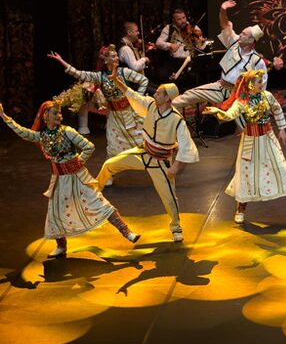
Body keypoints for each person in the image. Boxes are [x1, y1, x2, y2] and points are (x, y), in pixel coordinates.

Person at [0, 100, 140, 258]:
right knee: (56, 213)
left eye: (59, 113)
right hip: (59, 180)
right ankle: (61, 246)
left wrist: (78, 162)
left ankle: (127, 232)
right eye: (55, 113)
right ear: (45, 116)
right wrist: (5, 117)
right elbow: (24, 133)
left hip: (78, 176)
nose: (59, 116)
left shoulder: (68, 131)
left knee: (99, 203)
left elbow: (89, 146)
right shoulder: (42, 136)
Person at [97, 75, 199, 242]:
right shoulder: (151, 105)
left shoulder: (176, 120)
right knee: (110, 164)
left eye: (159, 93)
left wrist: (176, 167)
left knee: (169, 197)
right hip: (143, 152)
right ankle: (95, 190)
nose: (155, 95)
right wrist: (117, 81)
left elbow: (187, 146)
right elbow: (132, 95)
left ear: (167, 98)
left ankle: (176, 228)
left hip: (161, 162)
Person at [204, 69, 286, 223]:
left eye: (262, 81)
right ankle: (240, 209)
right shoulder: (241, 102)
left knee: (281, 167)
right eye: (259, 82)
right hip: (250, 141)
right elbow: (229, 115)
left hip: (268, 138)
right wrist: (217, 111)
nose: (262, 84)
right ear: (249, 85)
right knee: (246, 174)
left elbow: (277, 109)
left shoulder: (267, 96)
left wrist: (281, 128)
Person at [172, 0, 268, 121]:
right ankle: (162, 109)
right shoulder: (234, 43)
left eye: (243, 34)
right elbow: (225, 26)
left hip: (239, 95)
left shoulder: (257, 61)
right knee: (189, 95)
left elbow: (261, 88)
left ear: (251, 41)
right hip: (220, 87)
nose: (240, 34)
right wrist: (223, 10)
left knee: (246, 128)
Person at [48, 46, 148, 159]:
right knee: (113, 147)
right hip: (114, 116)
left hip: (129, 113)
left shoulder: (124, 72)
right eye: (114, 56)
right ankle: (110, 172)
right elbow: (78, 73)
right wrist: (61, 61)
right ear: (106, 60)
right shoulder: (100, 77)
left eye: (117, 56)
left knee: (139, 141)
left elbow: (143, 80)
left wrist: (137, 97)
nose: (117, 58)